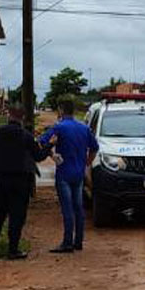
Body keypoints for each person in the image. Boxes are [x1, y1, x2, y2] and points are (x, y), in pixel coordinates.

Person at [0, 107, 50, 259]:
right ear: (22, 119)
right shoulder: (26, 136)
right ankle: (13, 249)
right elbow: (38, 156)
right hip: (20, 181)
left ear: (8, 117)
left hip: (0, 179)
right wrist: (49, 146)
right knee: (17, 215)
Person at [39, 98, 99, 254]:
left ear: (60, 110)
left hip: (64, 172)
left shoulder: (59, 127)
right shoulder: (84, 128)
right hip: (78, 173)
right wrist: (87, 162)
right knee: (78, 208)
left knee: (67, 209)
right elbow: (94, 148)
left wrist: (52, 153)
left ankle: (67, 242)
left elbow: (42, 142)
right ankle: (78, 241)